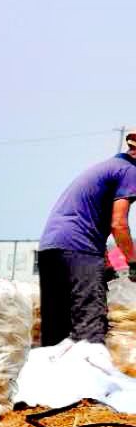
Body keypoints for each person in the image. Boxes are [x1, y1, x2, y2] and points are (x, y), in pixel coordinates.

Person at [36, 128, 136, 346]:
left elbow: (88, 216)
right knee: (90, 329)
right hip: (79, 250)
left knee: (56, 330)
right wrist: (133, 262)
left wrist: (105, 261)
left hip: (50, 248)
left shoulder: (107, 168)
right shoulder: (130, 171)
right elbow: (119, 224)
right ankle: (91, 377)